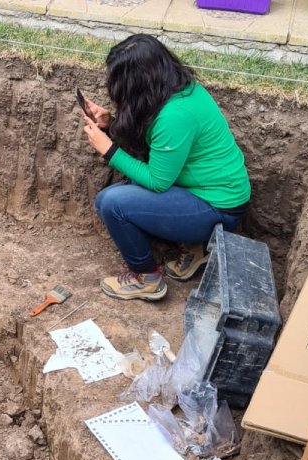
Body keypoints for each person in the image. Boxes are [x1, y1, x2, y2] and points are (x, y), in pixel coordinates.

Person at [81, 34, 250, 302]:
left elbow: (158, 181)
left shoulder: (175, 115)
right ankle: (198, 248)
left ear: (138, 82)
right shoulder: (180, 91)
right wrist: (110, 124)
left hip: (217, 209)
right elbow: (157, 143)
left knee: (111, 202)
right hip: (209, 194)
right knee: (126, 191)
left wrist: (109, 149)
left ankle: (146, 279)